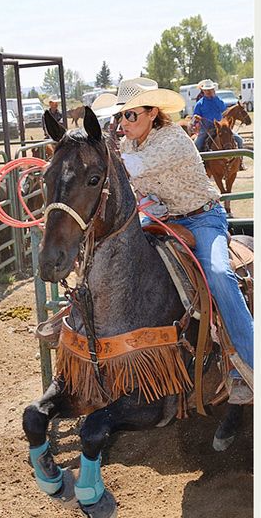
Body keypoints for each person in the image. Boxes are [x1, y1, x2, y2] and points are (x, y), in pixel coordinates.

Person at [100, 77, 253, 405]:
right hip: (164, 217)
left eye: (130, 115)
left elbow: (131, 169)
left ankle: (250, 361)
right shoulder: (128, 146)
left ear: (152, 113)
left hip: (202, 217)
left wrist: (94, 152)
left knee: (219, 274)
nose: (123, 123)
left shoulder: (172, 139)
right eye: (120, 117)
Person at [193, 79, 243, 151]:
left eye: (210, 90)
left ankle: (240, 159)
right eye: (206, 90)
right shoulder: (200, 104)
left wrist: (215, 98)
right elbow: (195, 116)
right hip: (206, 129)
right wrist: (196, 118)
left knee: (239, 140)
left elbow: (223, 109)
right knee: (197, 145)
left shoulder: (218, 100)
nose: (208, 92)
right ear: (203, 91)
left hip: (221, 127)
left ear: (213, 90)